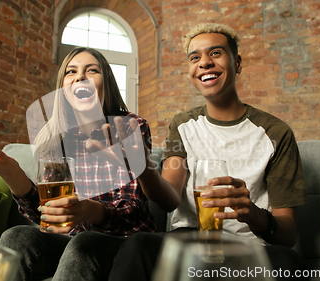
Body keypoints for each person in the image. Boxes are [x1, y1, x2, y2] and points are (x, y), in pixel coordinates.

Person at [105, 23, 309, 281]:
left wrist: (252, 213)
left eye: (215, 53)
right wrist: (142, 167)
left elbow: (288, 235)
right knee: (137, 245)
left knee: (289, 264)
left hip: (248, 249)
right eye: (195, 57)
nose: (204, 63)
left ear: (237, 62)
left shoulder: (276, 133)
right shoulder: (182, 125)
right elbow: (169, 199)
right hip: (187, 242)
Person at [0, 47, 156, 281]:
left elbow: (133, 211)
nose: (80, 76)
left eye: (92, 70)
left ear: (107, 82)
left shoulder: (129, 126)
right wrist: (12, 174)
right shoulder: (57, 135)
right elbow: (46, 217)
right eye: (71, 71)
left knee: (83, 242)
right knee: (15, 236)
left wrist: (88, 209)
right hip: (71, 239)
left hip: (124, 243)